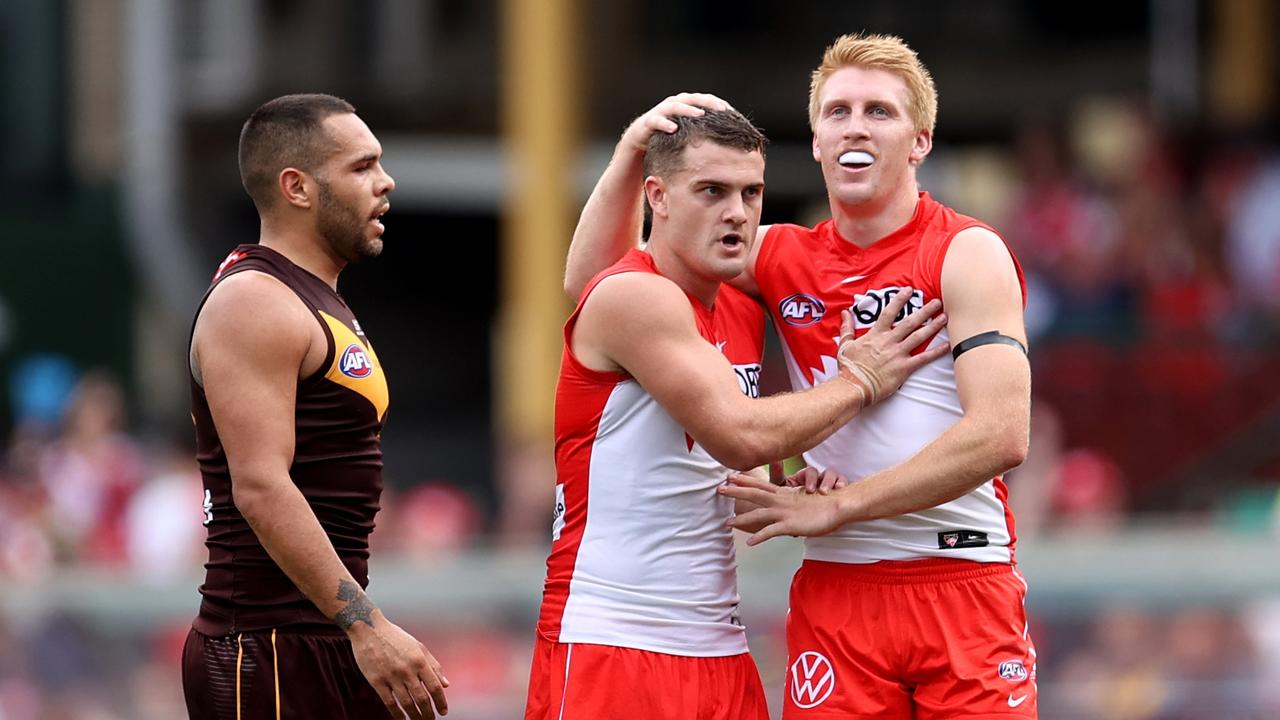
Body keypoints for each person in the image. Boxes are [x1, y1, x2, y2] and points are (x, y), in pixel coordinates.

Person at [564, 34, 1037, 719]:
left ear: (920, 142)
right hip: (837, 593)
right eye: (838, 112)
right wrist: (630, 156)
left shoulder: (966, 251)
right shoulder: (778, 255)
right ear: (815, 141)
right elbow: (597, 286)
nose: (855, 126)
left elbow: (1002, 434)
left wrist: (838, 505)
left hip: (960, 577)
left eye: (879, 112)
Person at [527, 107, 948, 720]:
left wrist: (782, 488)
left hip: (720, 648)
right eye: (712, 191)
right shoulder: (633, 295)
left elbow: (723, 461)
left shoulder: (742, 310)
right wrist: (859, 379)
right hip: (614, 642)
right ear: (658, 198)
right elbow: (740, 435)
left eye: (752, 192)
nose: (737, 212)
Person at [182, 94, 448, 720]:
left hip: (318, 635)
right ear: (297, 187)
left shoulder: (315, 298)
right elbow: (261, 487)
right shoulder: (255, 300)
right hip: (268, 646)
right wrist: (367, 624)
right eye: (361, 167)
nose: (386, 183)